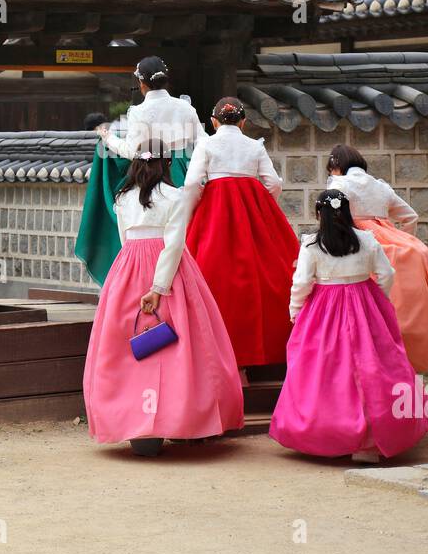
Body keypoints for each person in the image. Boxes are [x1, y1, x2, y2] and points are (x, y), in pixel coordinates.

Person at [82, 142, 245, 457]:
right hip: (170, 271)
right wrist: (159, 286)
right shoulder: (176, 196)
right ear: (166, 164)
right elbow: (174, 244)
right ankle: (186, 420)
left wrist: (134, 276)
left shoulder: (122, 199)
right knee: (185, 344)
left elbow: (124, 240)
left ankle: (136, 427)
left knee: (127, 347)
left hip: (127, 271)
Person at [269, 189, 428, 461]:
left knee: (324, 370)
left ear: (318, 214)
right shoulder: (366, 240)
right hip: (363, 303)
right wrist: (375, 299)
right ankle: (371, 440)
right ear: (348, 211)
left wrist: (295, 310)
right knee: (372, 366)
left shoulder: (312, 245)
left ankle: (329, 433)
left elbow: (301, 283)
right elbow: (386, 274)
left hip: (323, 309)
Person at [182, 97, 298, 373]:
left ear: (213, 122)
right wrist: (258, 204)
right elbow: (274, 183)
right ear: (244, 122)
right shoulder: (253, 145)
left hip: (215, 212)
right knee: (266, 275)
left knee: (212, 275)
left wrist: (191, 214)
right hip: (253, 211)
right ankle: (266, 354)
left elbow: (191, 183)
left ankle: (215, 354)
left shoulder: (206, 144)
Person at [325, 144, 428, 375]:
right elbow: (410, 216)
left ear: (336, 165)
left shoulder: (338, 184)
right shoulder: (380, 186)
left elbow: (334, 218)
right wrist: (403, 239)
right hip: (389, 236)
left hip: (354, 238)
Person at [74, 56, 207, 285]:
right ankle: (185, 284)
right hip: (182, 173)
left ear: (141, 83)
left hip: (152, 173)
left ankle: (144, 281)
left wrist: (109, 139)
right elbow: (203, 143)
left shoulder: (138, 111)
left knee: (149, 232)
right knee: (185, 234)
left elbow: (131, 151)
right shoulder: (185, 107)